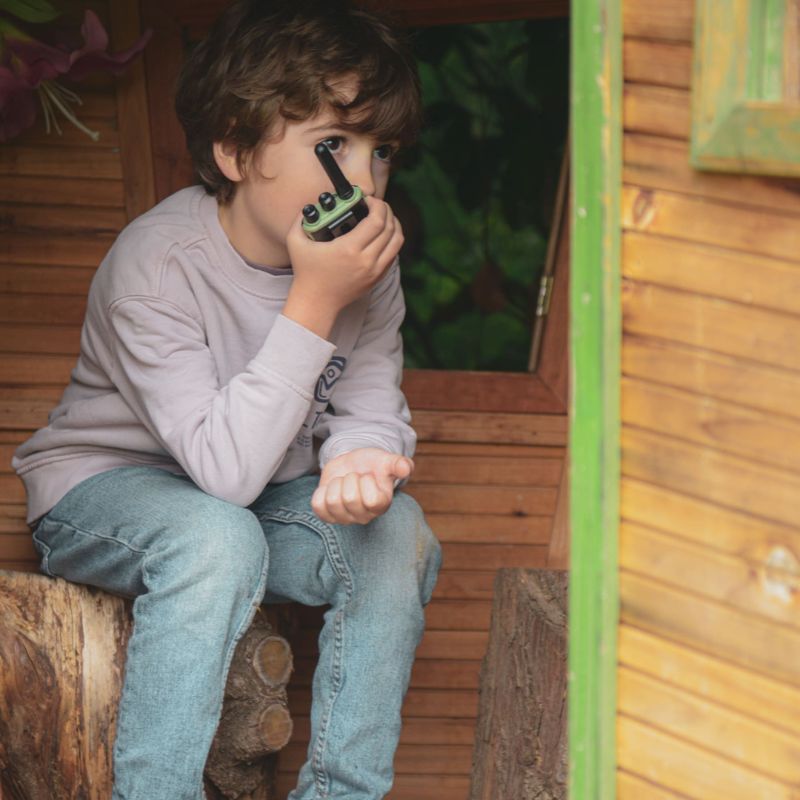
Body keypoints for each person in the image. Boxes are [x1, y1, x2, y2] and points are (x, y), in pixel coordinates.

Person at [12, 1, 442, 797]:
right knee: (215, 537)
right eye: (333, 145)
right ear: (238, 150)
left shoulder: (364, 272)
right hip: (108, 493)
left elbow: (374, 403)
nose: (367, 178)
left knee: (398, 535)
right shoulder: (158, 264)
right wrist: (313, 299)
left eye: (382, 152)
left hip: (248, 506)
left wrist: (359, 461)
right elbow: (225, 475)